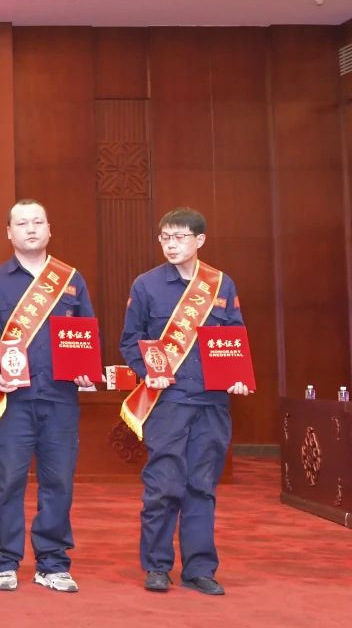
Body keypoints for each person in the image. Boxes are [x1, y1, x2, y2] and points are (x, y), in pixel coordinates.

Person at [0, 199, 95, 593]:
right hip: (13, 401)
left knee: (59, 482)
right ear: (9, 232)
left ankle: (53, 563)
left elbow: (86, 332)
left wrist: (86, 367)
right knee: (8, 481)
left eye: (38, 222)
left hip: (60, 398)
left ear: (49, 229)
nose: (31, 229)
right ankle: (4, 561)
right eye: (22, 223)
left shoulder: (71, 280)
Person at [119, 207, 249, 596]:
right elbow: (130, 340)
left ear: (199, 240)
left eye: (179, 237)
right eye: (165, 238)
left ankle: (199, 569)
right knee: (163, 484)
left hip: (212, 403)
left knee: (202, 486)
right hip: (168, 401)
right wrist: (148, 370)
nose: (171, 245)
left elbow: (234, 338)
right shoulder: (146, 285)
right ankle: (157, 566)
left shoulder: (221, 285)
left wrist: (238, 375)